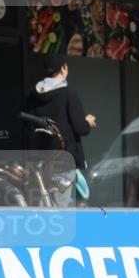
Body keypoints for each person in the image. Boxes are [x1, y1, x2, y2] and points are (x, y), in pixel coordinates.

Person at [24, 54, 96, 200]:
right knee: (61, 205)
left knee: (42, 202)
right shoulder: (69, 95)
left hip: (39, 160)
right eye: (67, 67)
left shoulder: (32, 96)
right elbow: (80, 128)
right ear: (63, 69)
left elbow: (27, 124)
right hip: (63, 159)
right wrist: (87, 121)